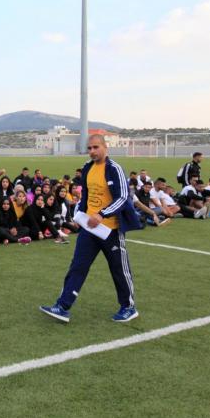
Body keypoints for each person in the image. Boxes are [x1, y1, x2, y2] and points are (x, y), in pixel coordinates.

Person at [40, 134, 141, 323]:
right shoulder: (87, 168)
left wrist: (102, 214)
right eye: (89, 148)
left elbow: (122, 198)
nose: (92, 151)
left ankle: (128, 307)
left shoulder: (114, 169)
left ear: (105, 147)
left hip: (110, 230)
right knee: (77, 266)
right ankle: (62, 306)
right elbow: (85, 195)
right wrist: (80, 215)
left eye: (96, 147)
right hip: (89, 228)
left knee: (119, 269)